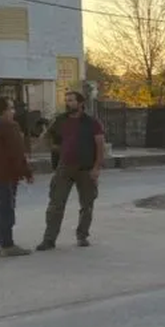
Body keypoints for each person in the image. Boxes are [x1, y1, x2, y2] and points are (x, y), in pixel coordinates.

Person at [37, 91, 105, 250]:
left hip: (86, 169)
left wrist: (96, 168)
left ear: (81, 103)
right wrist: (55, 148)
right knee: (55, 204)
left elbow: (100, 146)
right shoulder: (60, 120)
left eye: (71, 100)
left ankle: (82, 236)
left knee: (87, 205)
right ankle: (49, 239)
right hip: (64, 168)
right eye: (66, 101)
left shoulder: (92, 123)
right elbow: (45, 138)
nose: (68, 103)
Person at [0, 97, 34, 257]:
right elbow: (17, 153)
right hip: (5, 175)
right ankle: (7, 245)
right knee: (5, 209)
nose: (13, 112)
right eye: (11, 108)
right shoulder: (9, 126)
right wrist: (27, 172)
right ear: (3, 111)